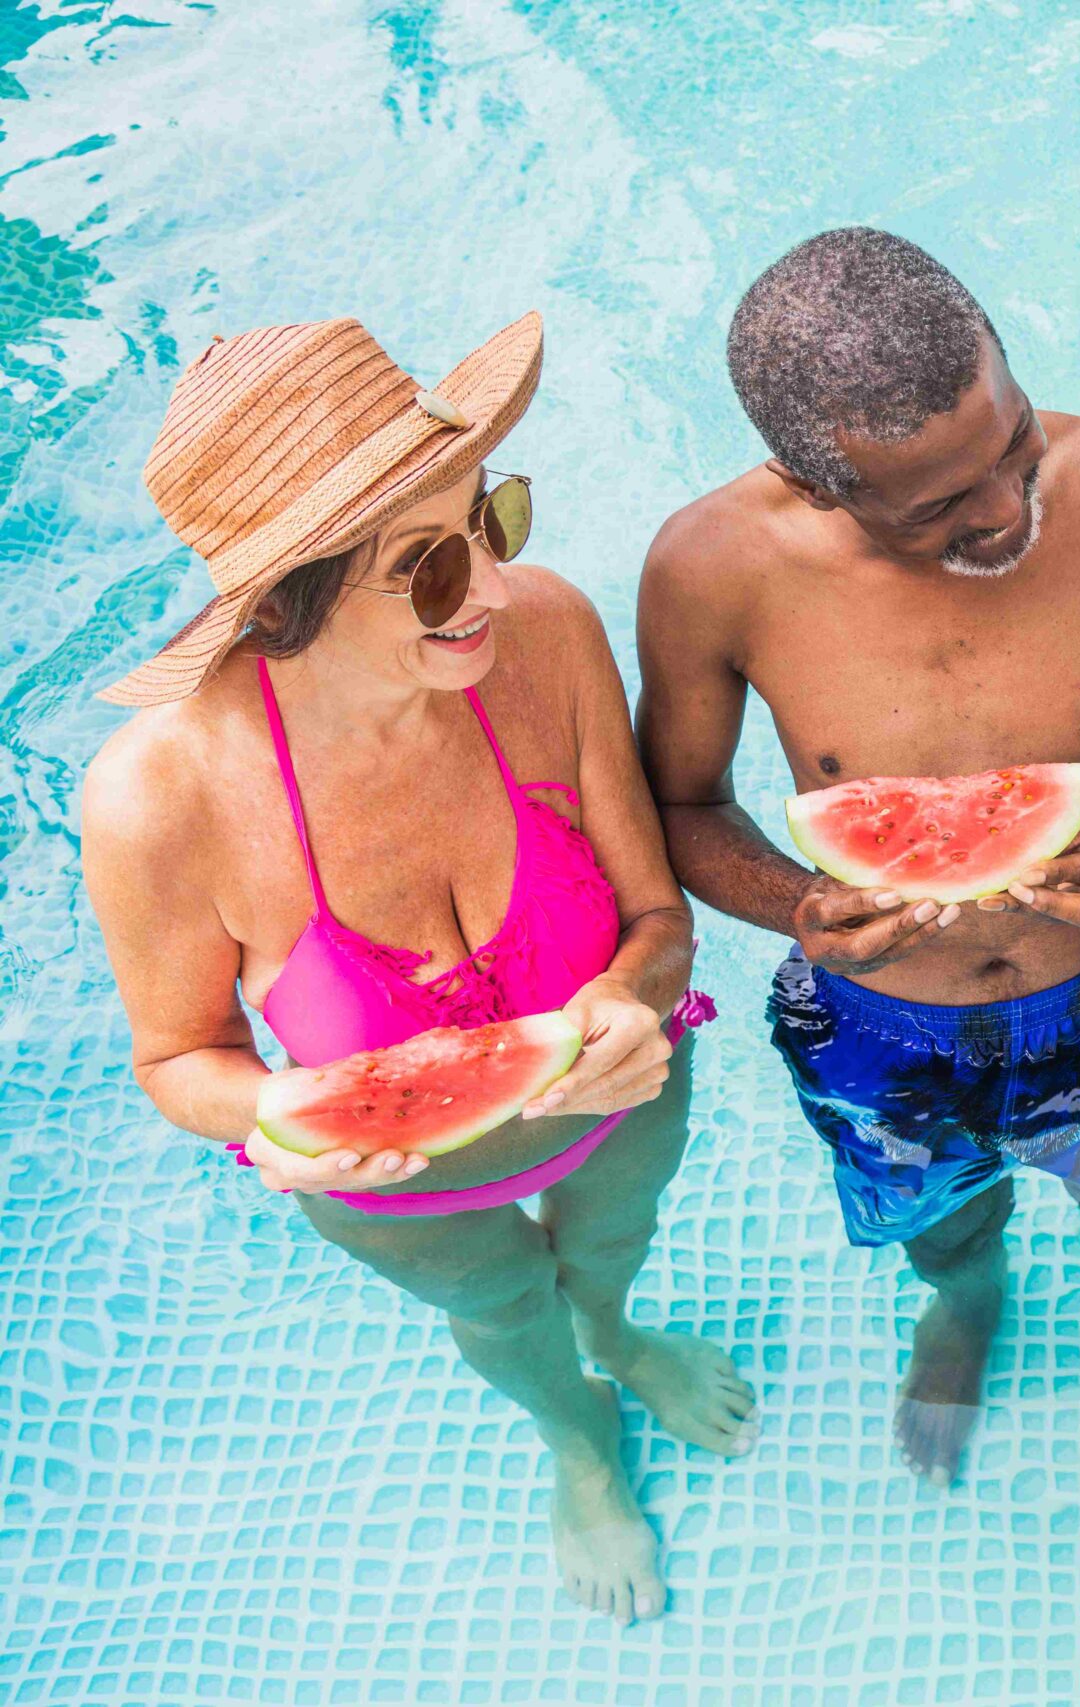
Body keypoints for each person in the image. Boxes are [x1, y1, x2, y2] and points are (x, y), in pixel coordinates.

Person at [80, 315, 745, 1626]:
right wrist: (274, 1111)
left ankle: (618, 1335)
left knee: (612, 1246)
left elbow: (657, 914)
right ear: (283, 600)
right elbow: (177, 1058)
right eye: (432, 569)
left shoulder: (546, 632)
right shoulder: (161, 797)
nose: (494, 587)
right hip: (410, 1198)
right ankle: (579, 1442)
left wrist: (631, 995)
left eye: (491, 520)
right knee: (504, 1313)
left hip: (623, 1093)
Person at [637, 228, 1080, 1491]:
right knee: (943, 1227)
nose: (1004, 512)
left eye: (1015, 444)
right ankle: (966, 1305)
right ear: (809, 482)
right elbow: (681, 806)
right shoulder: (712, 569)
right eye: (935, 504)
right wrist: (798, 910)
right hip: (879, 1022)